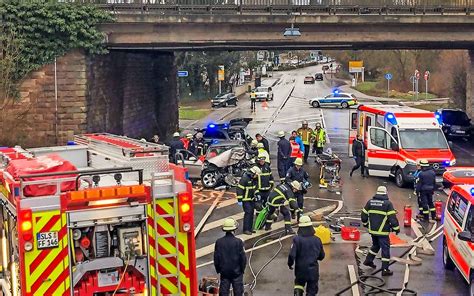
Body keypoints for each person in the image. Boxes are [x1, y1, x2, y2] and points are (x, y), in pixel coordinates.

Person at [361, 186, 400, 276]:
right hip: (382, 232)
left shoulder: (370, 202)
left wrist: (366, 224)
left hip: (373, 231)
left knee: (376, 245)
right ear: (385, 193)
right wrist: (396, 228)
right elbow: (392, 218)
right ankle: (385, 269)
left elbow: (363, 215)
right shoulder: (388, 204)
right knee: (385, 249)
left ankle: (368, 260)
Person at [288, 216, 325, 296]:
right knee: (312, 290)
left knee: (298, 285)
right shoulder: (317, 239)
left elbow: (292, 255)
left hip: (300, 270)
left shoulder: (297, 239)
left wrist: (290, 264)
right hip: (313, 271)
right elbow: (321, 256)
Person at [214, 218, 247, 296]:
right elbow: (243, 258)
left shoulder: (219, 242)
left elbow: (216, 258)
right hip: (237, 272)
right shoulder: (238, 242)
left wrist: (219, 270)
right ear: (234, 229)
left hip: (224, 272)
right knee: (238, 292)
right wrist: (242, 270)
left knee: (224, 292)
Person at [236, 166, 261, 235]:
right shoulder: (245, 178)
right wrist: (240, 200)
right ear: (253, 173)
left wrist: (257, 194)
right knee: (248, 213)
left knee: (251, 213)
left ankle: (250, 228)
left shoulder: (253, 179)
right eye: (256, 175)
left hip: (251, 199)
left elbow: (255, 188)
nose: (257, 176)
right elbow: (239, 189)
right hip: (245, 200)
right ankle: (246, 229)